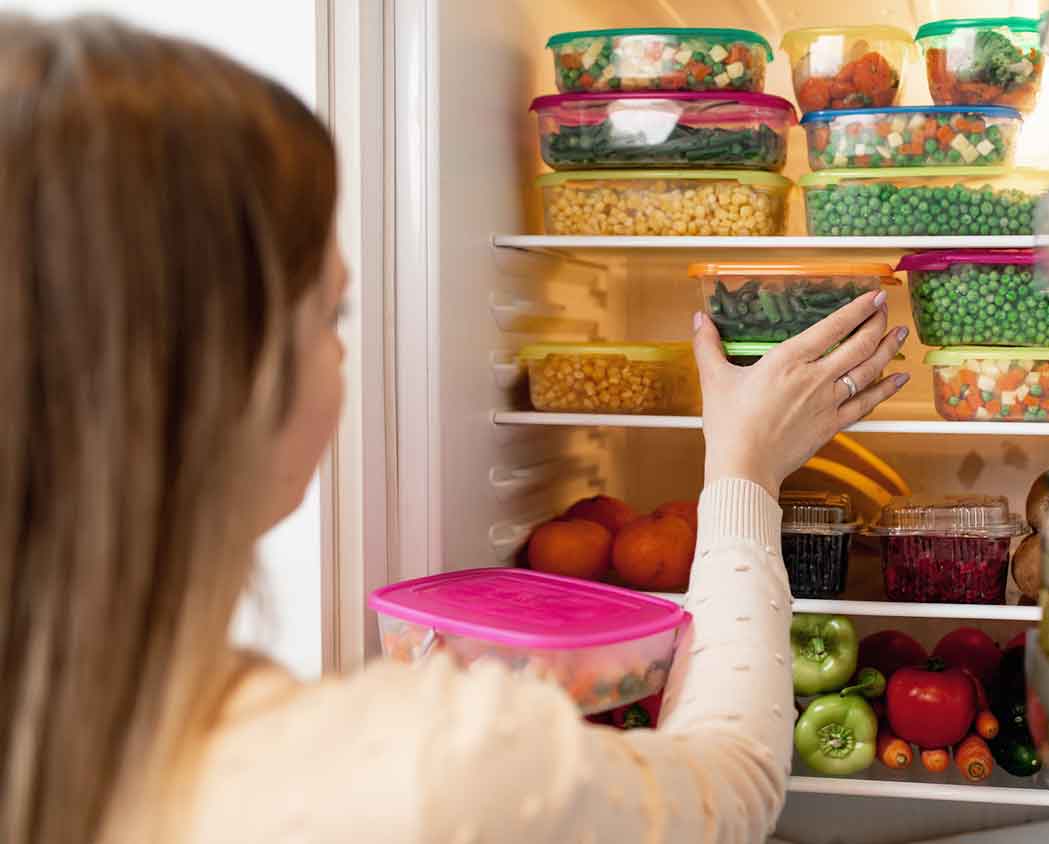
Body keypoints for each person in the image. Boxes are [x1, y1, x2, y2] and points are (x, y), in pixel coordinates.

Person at [0, 14, 910, 844]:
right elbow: (731, 786)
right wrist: (743, 472)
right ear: (220, 380)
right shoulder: (432, 774)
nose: (344, 354)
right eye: (333, 314)